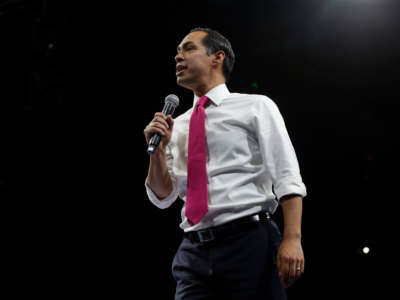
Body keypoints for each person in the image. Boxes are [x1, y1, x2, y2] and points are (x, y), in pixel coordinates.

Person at [143, 27, 307, 300]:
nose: (177, 56)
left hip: (250, 242)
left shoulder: (256, 106)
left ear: (217, 57)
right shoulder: (177, 125)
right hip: (193, 251)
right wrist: (158, 152)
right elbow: (162, 196)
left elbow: (286, 175)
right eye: (177, 51)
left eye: (188, 48)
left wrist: (293, 239)